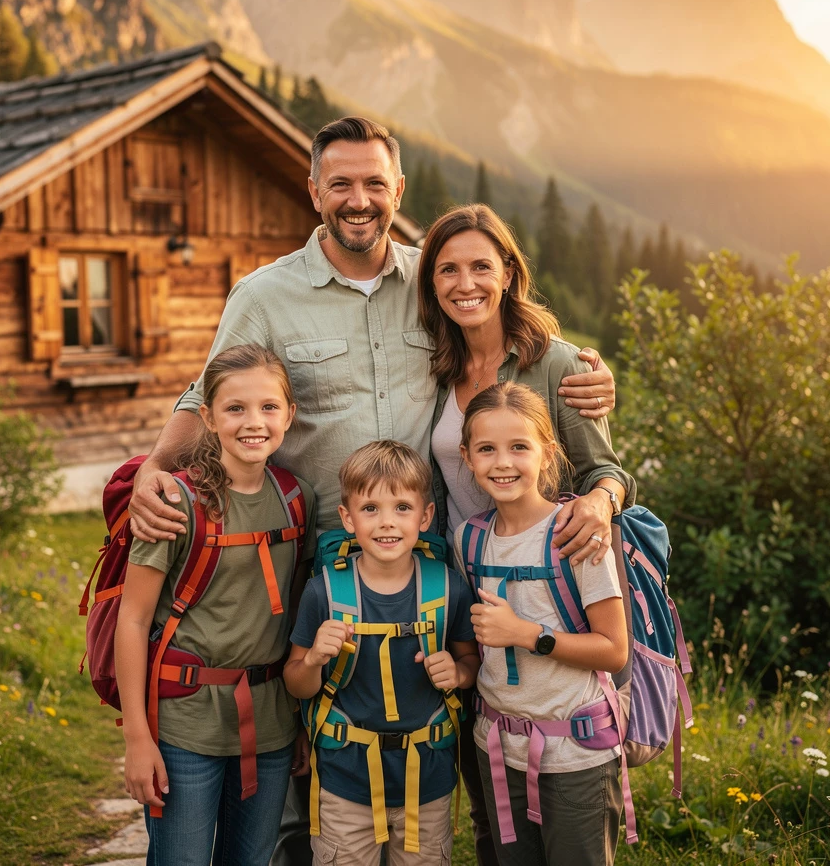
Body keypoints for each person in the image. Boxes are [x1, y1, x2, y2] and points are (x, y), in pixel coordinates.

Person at [126, 117, 616, 865]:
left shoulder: (429, 283)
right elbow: (207, 393)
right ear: (315, 188)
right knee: (310, 741)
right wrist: (154, 470)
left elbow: (502, 340)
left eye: (375, 185)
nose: (359, 200)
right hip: (308, 558)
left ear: (398, 191)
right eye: (342, 184)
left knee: (432, 708)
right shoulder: (265, 294)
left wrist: (588, 371)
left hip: (430, 559)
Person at [419, 203, 635, 865]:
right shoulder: (435, 366)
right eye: (447, 269)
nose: (465, 283)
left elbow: (604, 466)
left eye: (481, 266)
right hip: (464, 575)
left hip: (547, 577)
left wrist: (600, 502)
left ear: (509, 273)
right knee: (494, 796)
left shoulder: (557, 363)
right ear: (430, 282)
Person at [116, 344, 317, 866]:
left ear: (290, 414)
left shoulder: (296, 498)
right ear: (206, 417)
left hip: (271, 724)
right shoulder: (175, 503)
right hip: (184, 726)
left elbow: (292, 614)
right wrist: (138, 738)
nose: (254, 422)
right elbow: (133, 621)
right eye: (235, 409)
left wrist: (295, 723)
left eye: (269, 407)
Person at [453, 382, 628, 866]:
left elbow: (614, 650)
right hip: (498, 750)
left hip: (575, 753)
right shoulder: (469, 539)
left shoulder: (575, 533)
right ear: (467, 457)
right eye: (486, 449)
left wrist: (529, 635)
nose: (502, 462)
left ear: (546, 453)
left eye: (519, 447)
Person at [284, 441, 479, 866]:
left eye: (402, 508)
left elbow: (472, 663)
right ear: (347, 518)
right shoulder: (324, 593)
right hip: (345, 782)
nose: (386, 522)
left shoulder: (448, 588)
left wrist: (460, 673)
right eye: (370, 508)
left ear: (425, 517)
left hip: (427, 782)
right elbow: (295, 680)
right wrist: (315, 657)